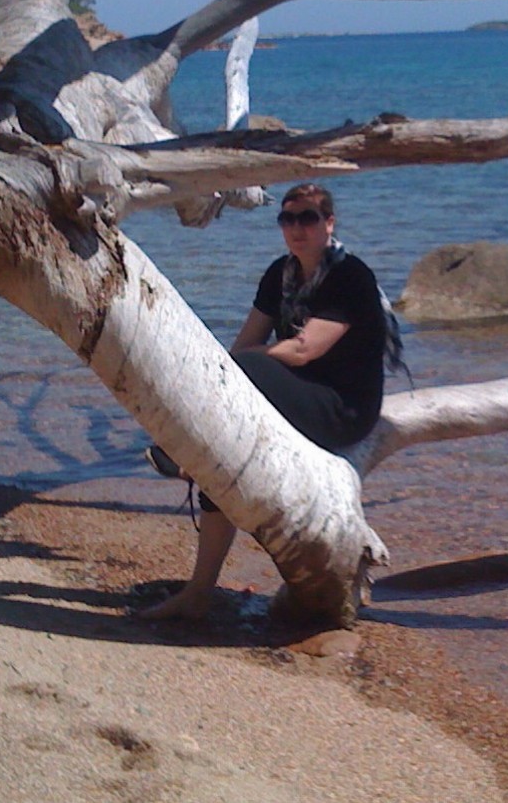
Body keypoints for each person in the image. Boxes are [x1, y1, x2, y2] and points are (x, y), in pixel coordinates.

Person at [139, 183, 398, 621]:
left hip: (343, 406)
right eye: (288, 219)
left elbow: (304, 350)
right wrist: (221, 380)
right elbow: (245, 343)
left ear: (329, 223)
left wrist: (242, 367)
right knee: (219, 451)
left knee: (244, 373)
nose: (297, 228)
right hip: (294, 391)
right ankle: (199, 592)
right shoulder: (280, 274)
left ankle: (177, 451)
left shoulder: (350, 276)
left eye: (308, 218)